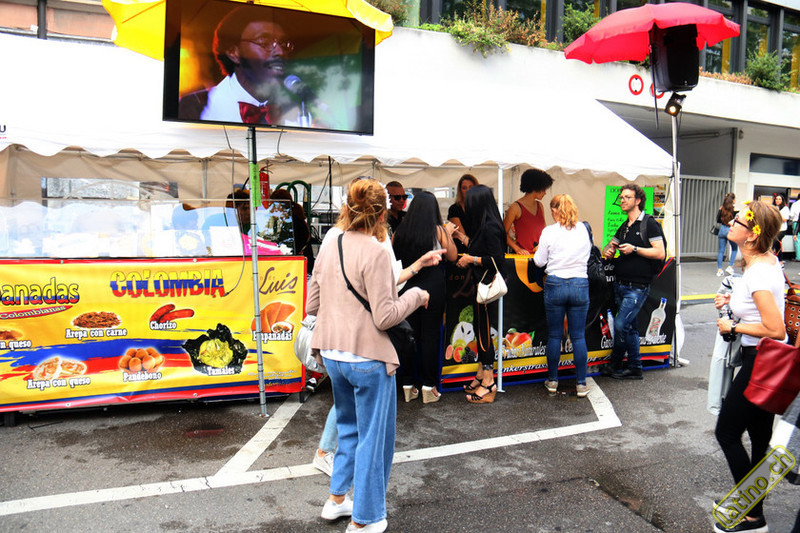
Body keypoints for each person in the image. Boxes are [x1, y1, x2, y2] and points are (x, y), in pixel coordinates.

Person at [307, 178, 431, 532]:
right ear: (382, 214)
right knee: (374, 440)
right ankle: (366, 519)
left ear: (347, 207)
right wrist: (417, 295)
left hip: (332, 352)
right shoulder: (376, 251)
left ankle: (337, 500)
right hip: (366, 356)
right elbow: (385, 316)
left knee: (348, 429)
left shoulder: (331, 243)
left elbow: (312, 303)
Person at [713, 200, 785, 533]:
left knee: (726, 432)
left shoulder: (757, 272)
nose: (731, 222)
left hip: (762, 361)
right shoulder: (765, 261)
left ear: (753, 234)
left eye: (738, 221)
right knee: (758, 436)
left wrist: (733, 326)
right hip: (768, 360)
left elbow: (775, 328)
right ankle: (754, 512)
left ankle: (751, 513)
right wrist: (731, 303)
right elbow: (760, 307)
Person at [178, 7, 321, 128]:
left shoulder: (297, 110)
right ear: (233, 53)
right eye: (264, 41)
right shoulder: (196, 106)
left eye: (283, 43)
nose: (280, 51)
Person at [392, 191, 458, 404]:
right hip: (433, 287)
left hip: (406, 286)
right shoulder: (438, 230)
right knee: (430, 337)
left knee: (408, 336)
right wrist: (448, 233)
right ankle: (429, 387)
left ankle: (407, 385)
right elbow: (453, 256)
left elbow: (393, 258)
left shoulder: (400, 232)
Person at [601, 183, 666, 380]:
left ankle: (616, 363)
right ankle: (634, 366)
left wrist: (635, 249)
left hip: (637, 287)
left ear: (638, 200)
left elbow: (660, 253)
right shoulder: (624, 225)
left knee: (621, 325)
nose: (622, 200)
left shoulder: (649, 223)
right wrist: (609, 250)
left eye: (627, 197)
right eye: (621, 197)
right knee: (629, 327)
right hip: (621, 284)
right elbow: (607, 247)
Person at [533, 194, 591, 398]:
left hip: (555, 283)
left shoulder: (549, 232)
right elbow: (588, 255)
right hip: (579, 283)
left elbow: (539, 262)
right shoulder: (583, 229)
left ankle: (552, 381)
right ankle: (581, 383)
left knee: (555, 335)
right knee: (578, 336)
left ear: (554, 210)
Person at [456, 185, 506, 404]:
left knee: (484, 333)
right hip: (480, 286)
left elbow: (497, 260)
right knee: (480, 330)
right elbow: (480, 248)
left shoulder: (490, 227)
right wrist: (460, 236)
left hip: (486, 287)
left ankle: (489, 382)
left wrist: (471, 259)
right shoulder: (486, 225)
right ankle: (480, 375)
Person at [503, 168, 554, 255]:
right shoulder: (516, 207)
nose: (545, 193)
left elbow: (544, 231)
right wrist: (517, 249)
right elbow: (503, 233)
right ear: (536, 188)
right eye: (543, 189)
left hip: (540, 255)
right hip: (523, 257)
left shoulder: (540, 205)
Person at [448, 173, 478, 253]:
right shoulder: (454, 209)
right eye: (464, 188)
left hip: (480, 252)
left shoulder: (482, 208)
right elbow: (461, 235)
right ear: (460, 190)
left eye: (471, 187)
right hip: (461, 251)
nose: (468, 190)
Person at [716, 193, 738, 277]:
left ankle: (719, 270)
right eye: (735, 199)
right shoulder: (735, 210)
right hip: (731, 230)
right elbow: (737, 221)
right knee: (734, 248)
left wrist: (720, 211)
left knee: (721, 250)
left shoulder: (722, 209)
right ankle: (730, 267)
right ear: (733, 200)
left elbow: (718, 220)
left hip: (722, 229)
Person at [772, 193, 789, 258]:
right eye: (776, 199)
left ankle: (770, 258)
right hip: (774, 229)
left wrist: (777, 214)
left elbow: (785, 219)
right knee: (777, 244)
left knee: (773, 242)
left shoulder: (785, 208)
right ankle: (780, 260)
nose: (778, 200)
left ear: (782, 200)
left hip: (782, 229)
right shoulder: (774, 207)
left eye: (779, 199)